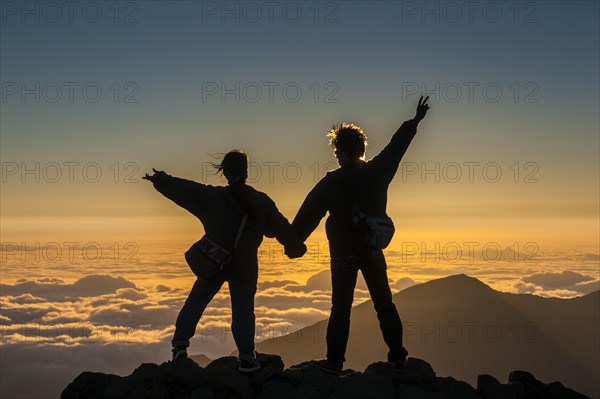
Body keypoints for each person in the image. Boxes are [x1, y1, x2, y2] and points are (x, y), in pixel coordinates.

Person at [292, 96, 431, 373]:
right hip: (372, 250)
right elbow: (397, 146)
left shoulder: (331, 183)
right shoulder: (379, 171)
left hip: (343, 254)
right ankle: (398, 356)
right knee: (384, 304)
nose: (335, 155)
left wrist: (292, 243)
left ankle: (334, 363)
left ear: (342, 151)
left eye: (336, 150)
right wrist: (414, 121)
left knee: (340, 309)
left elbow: (307, 217)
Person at [143, 150, 306, 372]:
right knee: (243, 312)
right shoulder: (261, 201)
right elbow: (282, 229)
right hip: (245, 268)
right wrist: (296, 248)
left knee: (196, 302)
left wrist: (161, 180)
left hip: (214, 262)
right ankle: (247, 358)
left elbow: (184, 189)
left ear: (224, 173)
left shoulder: (211, 198)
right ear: (247, 172)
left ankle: (180, 348)